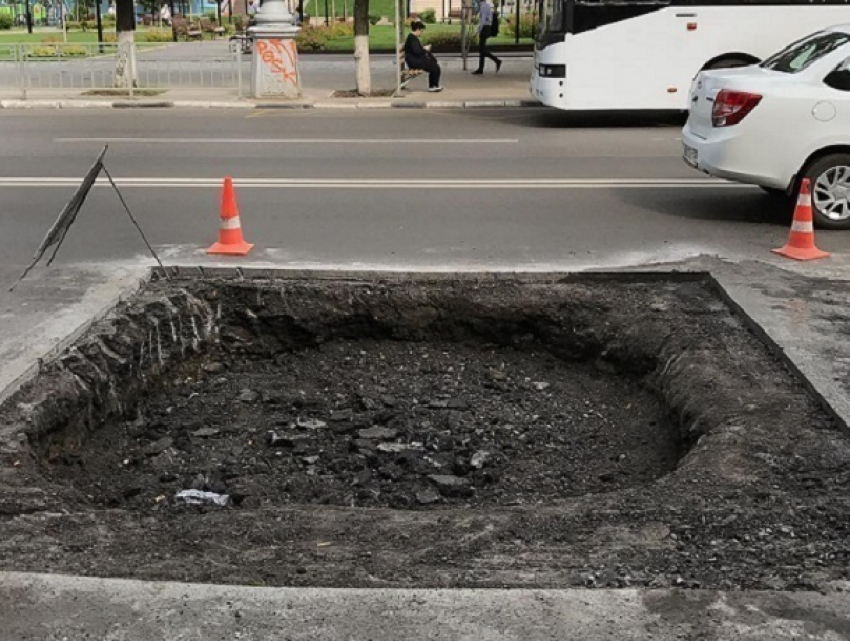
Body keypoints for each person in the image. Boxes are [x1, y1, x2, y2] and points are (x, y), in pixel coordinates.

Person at [404, 19, 443, 92]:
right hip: (413, 61)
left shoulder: (413, 38)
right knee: (435, 67)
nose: (422, 33)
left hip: (415, 59)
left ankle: (434, 85)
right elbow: (417, 51)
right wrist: (425, 48)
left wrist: (424, 49)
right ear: (417, 29)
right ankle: (433, 86)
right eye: (421, 31)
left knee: (435, 66)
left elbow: (417, 50)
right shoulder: (412, 38)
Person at [472, 0, 501, 75]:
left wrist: (478, 30)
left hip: (485, 28)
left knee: (482, 50)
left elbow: (483, 19)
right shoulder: (485, 5)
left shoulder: (484, 6)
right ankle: (481, 68)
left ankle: (496, 60)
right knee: (482, 50)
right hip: (486, 27)